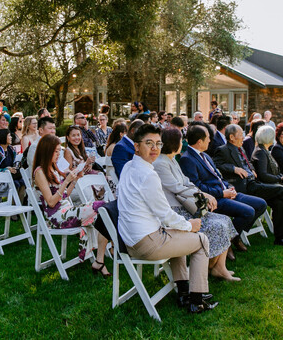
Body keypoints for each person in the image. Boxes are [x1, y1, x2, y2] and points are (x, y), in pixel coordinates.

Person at [118, 124, 218, 313]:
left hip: (132, 239)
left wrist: (183, 227)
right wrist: (189, 225)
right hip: (146, 243)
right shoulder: (148, 174)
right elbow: (164, 213)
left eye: (158, 143)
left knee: (180, 232)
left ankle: (183, 293)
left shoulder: (128, 167)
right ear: (136, 146)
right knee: (202, 240)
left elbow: (161, 214)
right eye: (149, 143)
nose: (155, 148)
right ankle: (197, 301)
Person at [154, 128, 239, 280]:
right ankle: (209, 266)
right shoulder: (161, 163)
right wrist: (203, 195)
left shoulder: (172, 159)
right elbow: (177, 187)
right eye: (181, 140)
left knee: (225, 220)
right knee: (216, 225)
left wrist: (203, 194)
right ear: (174, 143)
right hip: (176, 211)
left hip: (185, 206)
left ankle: (219, 267)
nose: (183, 143)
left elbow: (186, 182)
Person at [215, 124, 283, 247]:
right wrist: (234, 168)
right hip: (244, 187)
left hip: (253, 182)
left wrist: (251, 169)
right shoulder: (223, 149)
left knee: (279, 202)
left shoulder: (240, 148)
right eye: (241, 135)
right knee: (281, 189)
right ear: (231, 137)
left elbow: (247, 162)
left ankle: (280, 238)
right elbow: (216, 165)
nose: (243, 137)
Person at [179, 124, 267, 254]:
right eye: (208, 138)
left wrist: (230, 188)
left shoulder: (205, 155)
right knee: (248, 212)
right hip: (214, 199)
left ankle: (233, 238)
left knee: (261, 204)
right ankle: (228, 242)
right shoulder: (187, 159)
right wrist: (222, 193)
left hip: (225, 192)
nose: (210, 140)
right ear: (199, 141)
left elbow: (218, 177)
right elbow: (197, 187)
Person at [32, 134, 111, 277]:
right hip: (56, 217)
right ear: (47, 151)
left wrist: (74, 181)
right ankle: (103, 257)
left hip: (66, 210)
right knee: (102, 207)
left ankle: (100, 260)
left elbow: (65, 196)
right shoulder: (40, 172)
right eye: (56, 151)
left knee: (104, 210)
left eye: (59, 151)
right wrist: (66, 181)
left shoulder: (53, 168)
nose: (58, 154)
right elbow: (50, 202)